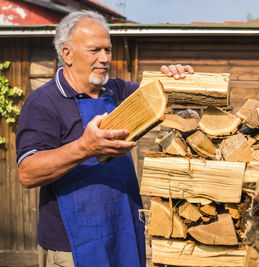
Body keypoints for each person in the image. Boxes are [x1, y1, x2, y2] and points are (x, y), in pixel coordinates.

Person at [16, 10, 194, 267]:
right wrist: (84, 147)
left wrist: (179, 76)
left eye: (108, 50)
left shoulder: (117, 91)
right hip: (73, 248)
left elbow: (167, 96)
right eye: (94, 50)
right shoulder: (44, 102)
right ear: (67, 54)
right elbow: (27, 173)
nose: (104, 59)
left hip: (124, 234)